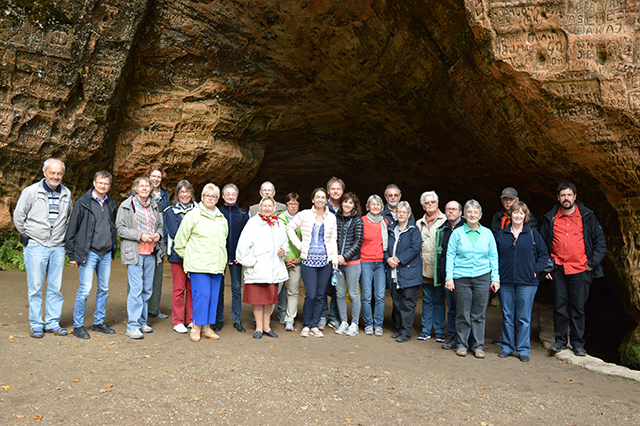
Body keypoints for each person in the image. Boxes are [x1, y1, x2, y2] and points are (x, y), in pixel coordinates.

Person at [540, 182, 606, 357]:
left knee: (578, 307)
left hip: (580, 268)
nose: (566, 198)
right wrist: (546, 267)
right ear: (558, 198)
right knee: (560, 306)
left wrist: (591, 263)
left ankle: (578, 344)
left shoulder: (587, 216)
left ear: (575, 196)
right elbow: (541, 245)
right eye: (563, 195)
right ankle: (560, 341)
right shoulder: (551, 218)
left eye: (569, 195)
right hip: (558, 269)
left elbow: (601, 243)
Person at [14, 158, 72, 338]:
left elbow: (67, 216)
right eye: (52, 172)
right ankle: (36, 324)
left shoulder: (67, 193)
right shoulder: (31, 191)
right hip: (36, 245)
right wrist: (29, 236)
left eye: (59, 173)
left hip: (57, 247)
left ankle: (52, 322)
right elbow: (19, 216)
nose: (56, 176)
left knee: (55, 287)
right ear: (44, 172)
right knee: (35, 287)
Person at [65, 171, 118, 339]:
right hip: (89, 253)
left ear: (109, 186)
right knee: (85, 289)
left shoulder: (111, 203)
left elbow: (112, 226)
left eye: (106, 184)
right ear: (94, 183)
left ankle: (98, 323)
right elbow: (71, 229)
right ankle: (78, 325)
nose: (103, 186)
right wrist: (72, 254)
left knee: (104, 289)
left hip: (105, 253)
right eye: (100, 183)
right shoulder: (82, 203)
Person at [173, 184, 228, 342]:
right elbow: (180, 242)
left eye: (213, 196)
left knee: (212, 296)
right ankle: (196, 327)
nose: (210, 199)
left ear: (217, 199)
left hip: (216, 264)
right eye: (207, 196)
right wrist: (190, 259)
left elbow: (223, 239)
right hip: (199, 264)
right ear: (202, 197)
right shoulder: (193, 215)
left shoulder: (221, 218)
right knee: (201, 295)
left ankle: (206, 328)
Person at [445, 200, 500, 358]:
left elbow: (493, 257)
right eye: (469, 212)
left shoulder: (488, 234)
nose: (472, 215)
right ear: (464, 215)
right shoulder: (457, 233)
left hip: (482, 277)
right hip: (461, 278)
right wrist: (449, 277)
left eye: (476, 212)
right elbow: (450, 256)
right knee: (463, 312)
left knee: (478, 314)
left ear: (480, 215)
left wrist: (495, 278)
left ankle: (477, 345)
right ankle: (462, 344)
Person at [495, 201, 549, 362]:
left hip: (527, 282)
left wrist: (535, 270)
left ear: (525, 216)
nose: (518, 216)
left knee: (524, 318)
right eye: (515, 212)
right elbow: (495, 256)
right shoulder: (502, 234)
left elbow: (544, 255)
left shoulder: (532, 234)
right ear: (510, 215)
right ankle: (506, 347)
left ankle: (523, 350)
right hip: (506, 281)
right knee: (507, 316)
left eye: (521, 213)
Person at [286, 188, 338, 338]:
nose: (320, 200)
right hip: (309, 261)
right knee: (311, 295)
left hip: (325, 261)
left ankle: (314, 325)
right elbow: (289, 227)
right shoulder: (304, 214)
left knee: (321, 295)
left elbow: (333, 239)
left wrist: (334, 258)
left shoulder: (332, 218)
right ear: (313, 200)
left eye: (323, 197)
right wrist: (300, 245)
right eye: (317, 197)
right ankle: (306, 325)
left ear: (326, 199)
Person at [116, 177, 164, 339]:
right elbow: (120, 228)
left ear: (151, 189)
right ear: (135, 188)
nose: (144, 188)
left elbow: (160, 226)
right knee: (136, 289)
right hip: (135, 252)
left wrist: (158, 234)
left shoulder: (154, 205)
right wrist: (140, 235)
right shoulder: (126, 205)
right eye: (141, 186)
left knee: (146, 289)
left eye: (147, 186)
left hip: (151, 252)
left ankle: (142, 322)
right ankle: (132, 325)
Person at [236, 196, 290, 339]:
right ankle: (258, 328)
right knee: (258, 300)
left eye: (270, 206)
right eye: (264, 205)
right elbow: (243, 246)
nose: (267, 208)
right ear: (260, 207)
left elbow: (285, 243)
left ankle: (267, 326)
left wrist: (284, 250)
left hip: (273, 268)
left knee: (269, 300)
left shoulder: (278, 223)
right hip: (258, 268)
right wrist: (252, 263)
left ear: (274, 208)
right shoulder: (253, 223)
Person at [386, 201, 422, 342]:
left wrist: (399, 259)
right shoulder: (391, 228)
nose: (400, 214)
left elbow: (415, 248)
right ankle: (400, 328)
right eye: (398, 212)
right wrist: (388, 259)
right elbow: (385, 246)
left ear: (409, 214)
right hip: (395, 273)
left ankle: (406, 332)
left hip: (409, 272)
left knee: (408, 304)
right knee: (397, 302)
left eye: (403, 212)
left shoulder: (413, 229)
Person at [164, 180, 197, 334]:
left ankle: (190, 319)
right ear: (177, 194)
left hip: (195, 256)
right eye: (182, 192)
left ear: (192, 193)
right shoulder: (170, 211)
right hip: (177, 254)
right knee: (179, 288)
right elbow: (174, 233)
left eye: (188, 191)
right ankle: (178, 321)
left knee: (191, 288)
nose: (185, 195)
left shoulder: (198, 210)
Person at [434, 201, 466, 350]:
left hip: (465, 276)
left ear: (460, 212)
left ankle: (467, 339)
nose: (451, 211)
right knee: (452, 309)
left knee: (466, 309)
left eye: (454, 209)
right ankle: (453, 337)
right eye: (448, 209)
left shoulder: (467, 228)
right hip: (449, 276)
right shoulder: (443, 229)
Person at [415, 191, 447, 342]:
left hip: (439, 268)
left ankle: (439, 330)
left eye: (432, 202)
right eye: (427, 203)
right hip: (425, 267)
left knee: (439, 300)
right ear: (423, 206)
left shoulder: (445, 221)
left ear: (437, 203)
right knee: (427, 299)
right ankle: (426, 329)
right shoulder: (419, 223)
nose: (430, 205)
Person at [218, 183, 249, 332]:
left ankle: (237, 320)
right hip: (220, 257)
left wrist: (242, 256)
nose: (230, 196)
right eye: (227, 194)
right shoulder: (217, 213)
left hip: (236, 258)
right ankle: (219, 319)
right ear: (223, 196)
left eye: (233, 194)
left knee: (236, 289)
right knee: (219, 289)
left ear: (237, 196)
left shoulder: (243, 214)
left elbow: (248, 238)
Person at [334, 192, 363, 336]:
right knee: (339, 293)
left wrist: (344, 256)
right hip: (337, 263)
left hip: (352, 262)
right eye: (345, 202)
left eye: (350, 203)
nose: (347, 205)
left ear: (354, 205)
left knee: (353, 293)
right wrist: (336, 257)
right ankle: (344, 321)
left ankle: (355, 324)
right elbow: (332, 238)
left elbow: (358, 242)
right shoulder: (335, 218)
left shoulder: (358, 220)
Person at [360, 194, 388, 337]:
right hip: (365, 262)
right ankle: (368, 323)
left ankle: (378, 324)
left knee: (380, 295)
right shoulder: (362, 221)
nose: (376, 207)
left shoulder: (385, 222)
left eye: (378, 204)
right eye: (373, 204)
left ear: (382, 207)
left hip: (380, 263)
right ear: (367, 207)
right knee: (366, 295)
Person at [319, 177, 344, 330]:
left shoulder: (346, 207)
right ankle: (322, 315)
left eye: (338, 189)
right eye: (333, 189)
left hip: (340, 254)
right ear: (328, 191)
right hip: (323, 252)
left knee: (337, 287)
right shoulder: (321, 206)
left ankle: (334, 316)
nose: (336, 191)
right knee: (321, 286)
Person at [147, 165, 170, 319]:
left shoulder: (165, 194)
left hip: (160, 239)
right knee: (142, 276)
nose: (156, 179)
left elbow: (167, 215)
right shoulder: (140, 191)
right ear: (148, 176)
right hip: (144, 239)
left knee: (157, 277)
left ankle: (154, 309)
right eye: (153, 176)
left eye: (159, 177)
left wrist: (166, 239)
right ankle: (140, 310)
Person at [279, 193, 303, 331]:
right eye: (290, 203)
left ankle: (289, 319)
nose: (293, 206)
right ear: (286, 205)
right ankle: (266, 317)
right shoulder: (279, 219)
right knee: (275, 289)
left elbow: (307, 240)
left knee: (293, 291)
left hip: (296, 261)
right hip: (281, 260)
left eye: (295, 203)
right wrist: (284, 258)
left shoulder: (303, 219)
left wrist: (298, 258)